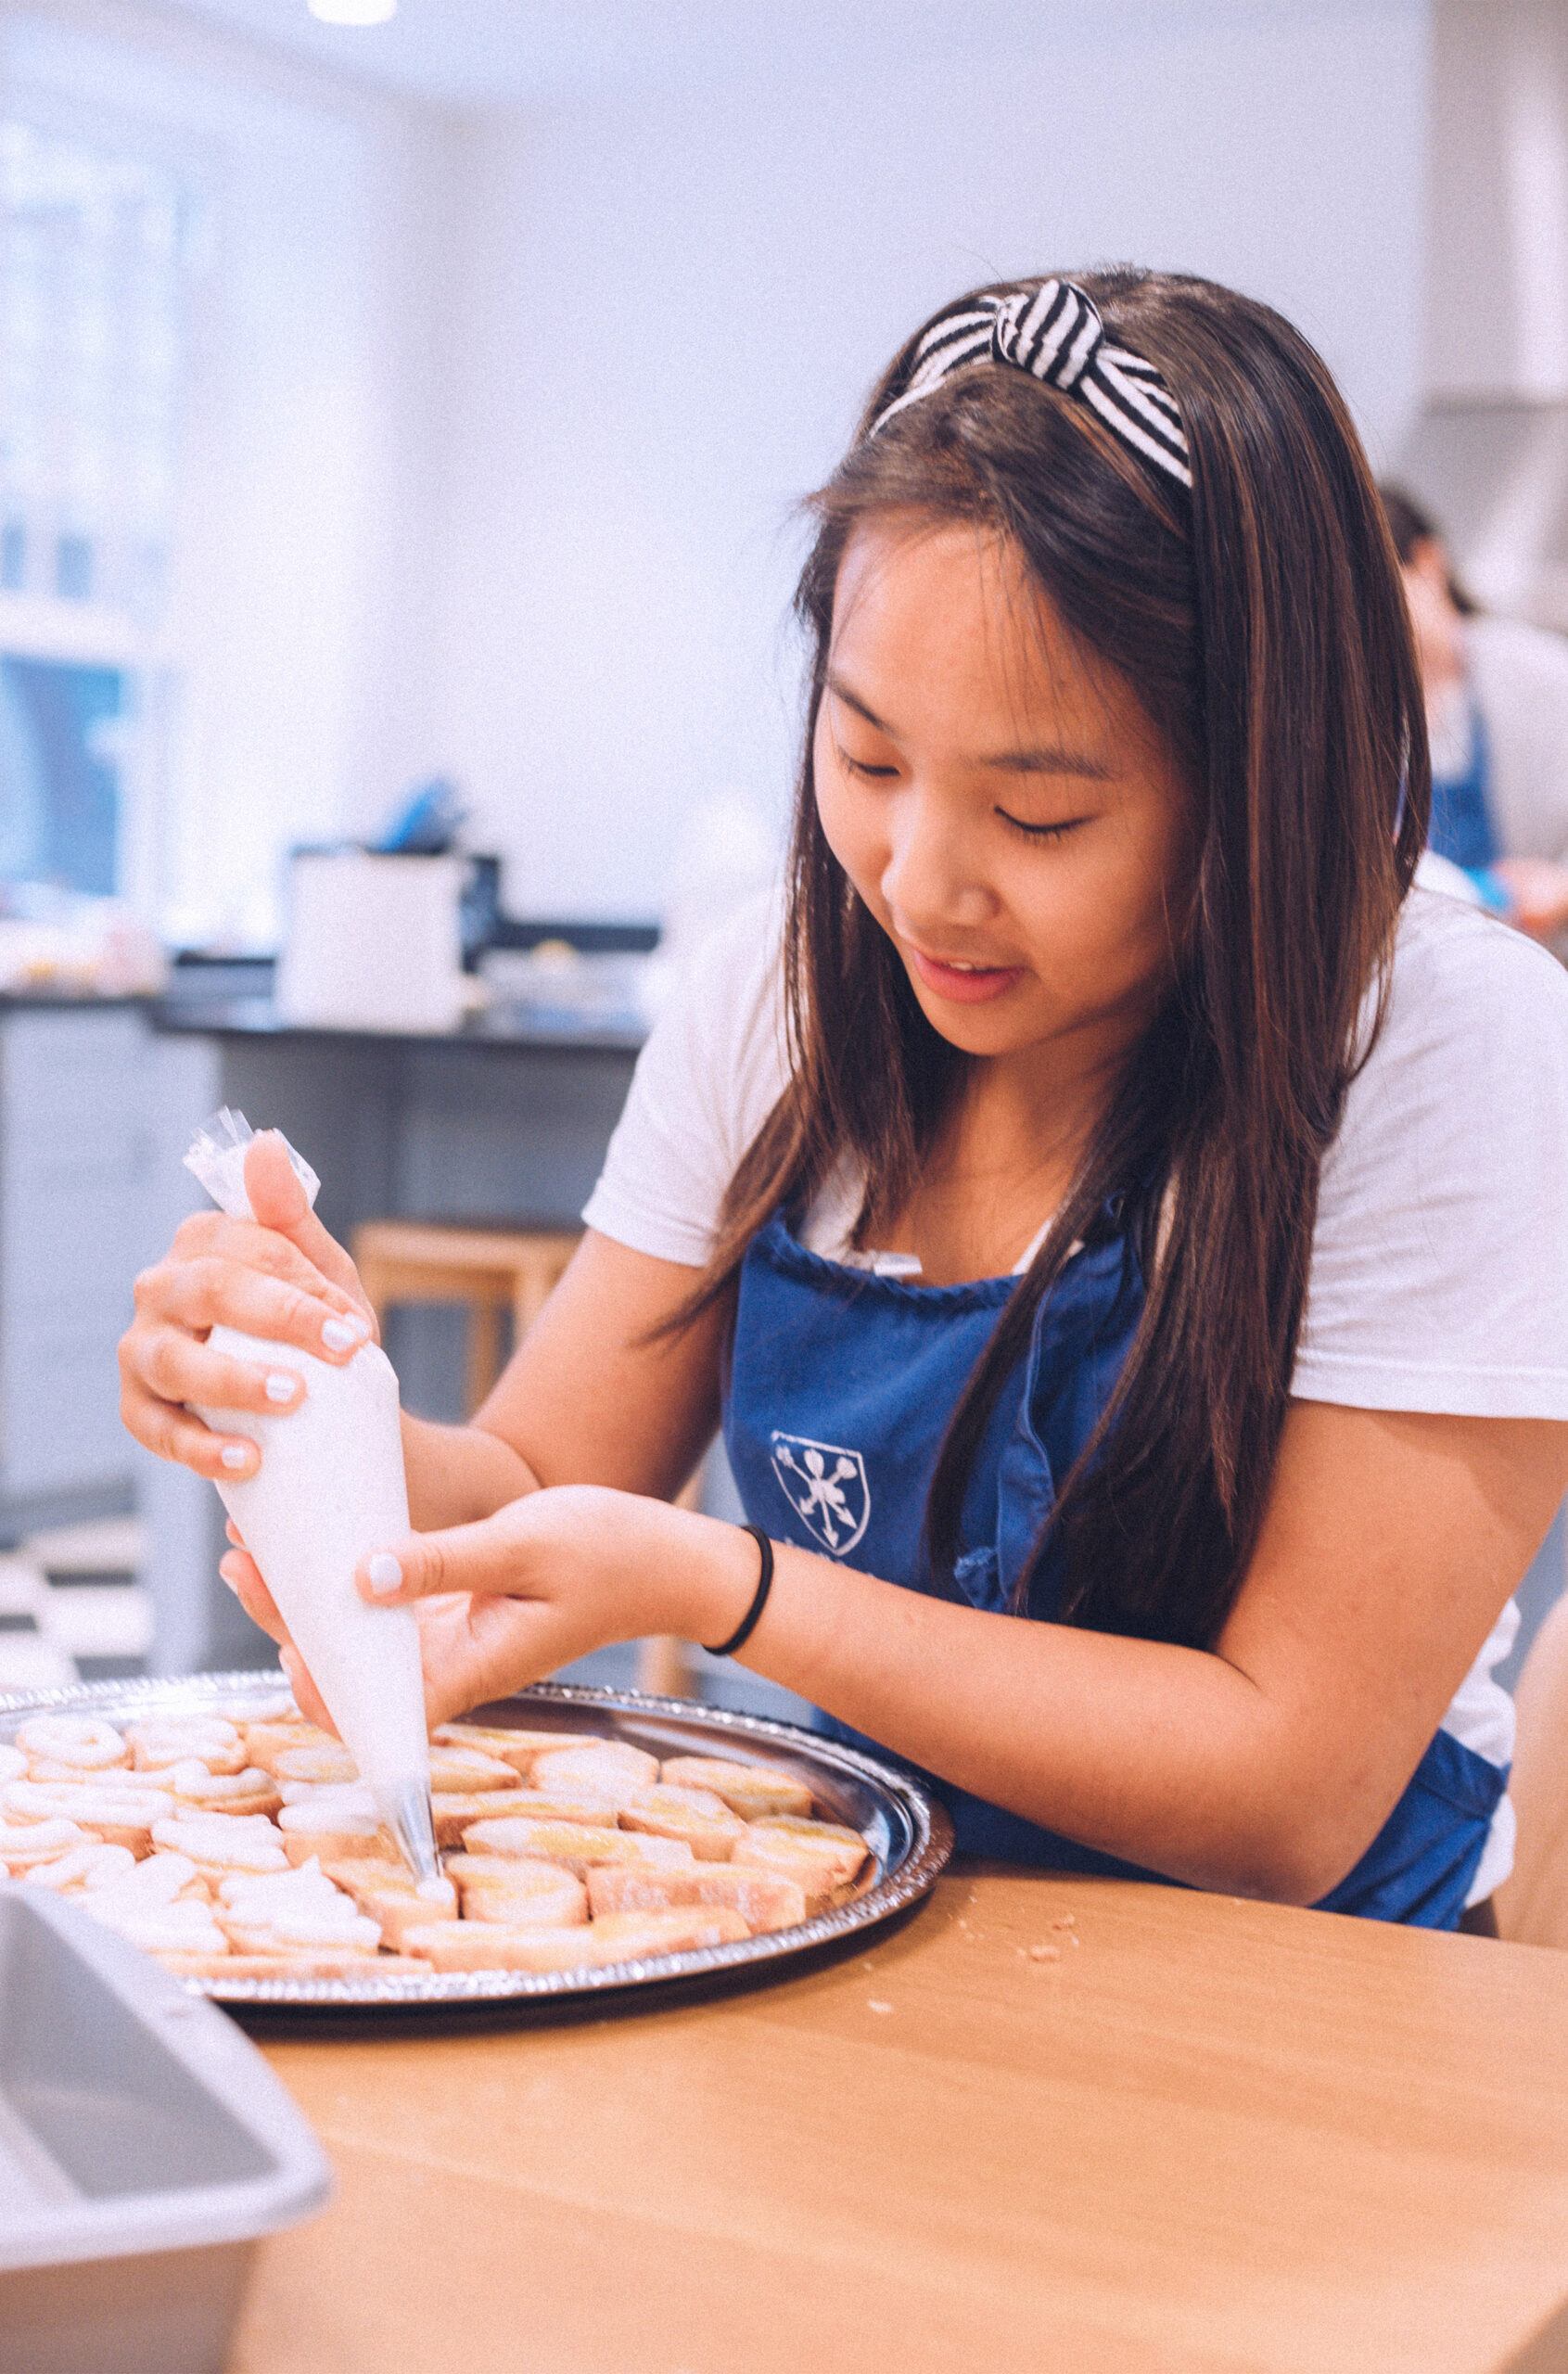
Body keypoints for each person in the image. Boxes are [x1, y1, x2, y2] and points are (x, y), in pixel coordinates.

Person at [121, 270, 1568, 1932]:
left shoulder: (1434, 1043)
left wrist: (734, 1588)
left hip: (1314, 1993)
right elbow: (531, 1482)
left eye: (1037, 814)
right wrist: (313, 1410)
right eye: (868, 761)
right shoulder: (784, 993)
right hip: (869, 1916)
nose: (918, 883)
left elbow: (1286, 1792)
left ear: (1258, 784)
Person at [1383, 482, 1568, 940]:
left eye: (1378, 587)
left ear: (1428, 562)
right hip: (1425, 960)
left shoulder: (1539, 675)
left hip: (1537, 956)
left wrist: (1559, 890)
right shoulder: (1363, 707)